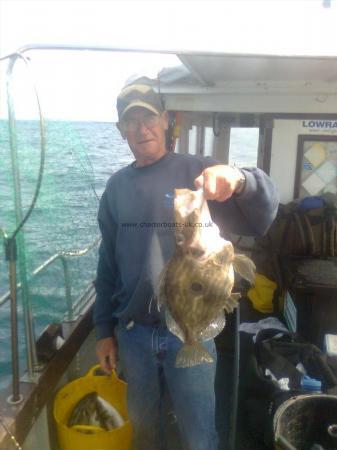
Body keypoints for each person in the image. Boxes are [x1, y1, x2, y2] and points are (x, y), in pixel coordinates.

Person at [94, 79, 279, 450]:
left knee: (199, 435)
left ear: (165, 121)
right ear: (120, 131)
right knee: (145, 432)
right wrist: (103, 331)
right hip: (133, 334)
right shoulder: (116, 188)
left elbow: (262, 219)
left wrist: (240, 179)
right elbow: (107, 264)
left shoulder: (198, 170)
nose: (141, 128)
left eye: (148, 118)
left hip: (192, 328)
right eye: (131, 122)